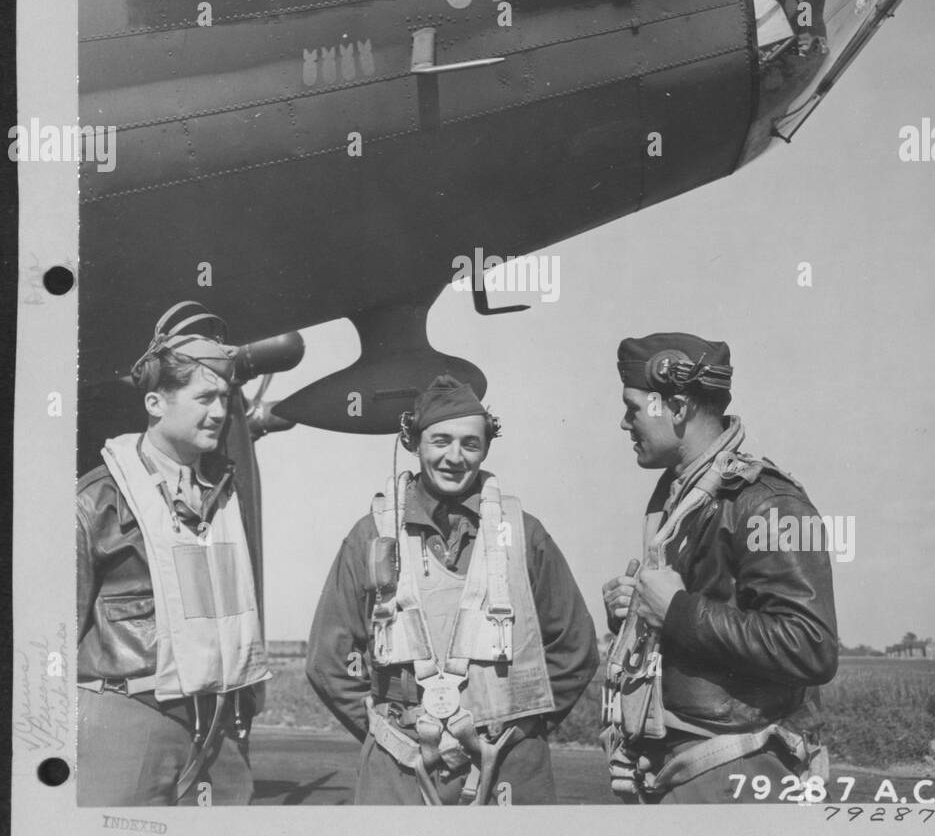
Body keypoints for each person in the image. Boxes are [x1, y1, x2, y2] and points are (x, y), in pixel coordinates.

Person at [307, 374, 598, 805]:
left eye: (470, 444)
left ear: (486, 448)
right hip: (400, 759)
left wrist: (520, 729)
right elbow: (327, 661)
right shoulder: (371, 535)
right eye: (440, 440)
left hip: (505, 755)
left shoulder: (522, 534)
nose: (454, 457)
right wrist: (389, 735)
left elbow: (574, 648)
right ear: (415, 443)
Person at [601, 332, 838, 804]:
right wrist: (638, 611)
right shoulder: (686, 500)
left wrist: (676, 611)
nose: (624, 422)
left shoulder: (770, 502)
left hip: (740, 773)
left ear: (679, 406)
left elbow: (811, 647)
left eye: (633, 408)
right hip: (688, 768)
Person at [76, 303, 270, 806]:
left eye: (225, 398)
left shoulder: (225, 495)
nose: (222, 412)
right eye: (205, 397)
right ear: (156, 403)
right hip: (128, 719)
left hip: (217, 728)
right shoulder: (95, 499)